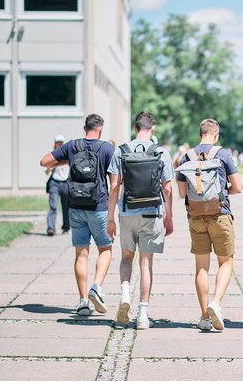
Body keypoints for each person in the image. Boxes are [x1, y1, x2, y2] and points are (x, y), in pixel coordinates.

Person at [40, 114, 115, 316]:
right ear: (100, 129)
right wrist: (112, 214)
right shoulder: (107, 148)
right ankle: (96, 288)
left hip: (75, 206)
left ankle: (83, 302)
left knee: (81, 254)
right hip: (98, 207)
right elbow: (116, 182)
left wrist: (67, 161)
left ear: (85, 128)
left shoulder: (72, 146)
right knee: (105, 250)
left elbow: (44, 162)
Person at [107, 112, 174, 330]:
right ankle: (143, 315)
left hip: (127, 213)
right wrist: (169, 216)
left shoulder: (121, 150)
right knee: (146, 262)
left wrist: (110, 218)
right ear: (152, 128)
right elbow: (167, 187)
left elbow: (114, 187)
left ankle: (125, 293)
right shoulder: (161, 152)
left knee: (127, 258)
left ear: (135, 128)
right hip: (152, 213)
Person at [177, 118, 242, 331]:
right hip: (220, 214)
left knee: (201, 266)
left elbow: (181, 192)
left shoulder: (186, 156)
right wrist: (222, 193)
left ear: (199, 134)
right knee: (225, 262)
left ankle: (204, 316)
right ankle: (216, 303)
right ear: (216, 135)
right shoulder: (223, 154)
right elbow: (238, 187)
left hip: (195, 216)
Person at [45, 134, 70, 236]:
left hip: (66, 182)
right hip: (54, 183)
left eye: (61, 143)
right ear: (55, 144)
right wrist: (50, 167)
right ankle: (51, 228)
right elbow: (46, 171)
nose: (59, 144)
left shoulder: (68, 155)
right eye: (58, 143)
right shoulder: (52, 155)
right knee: (53, 206)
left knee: (66, 207)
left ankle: (66, 226)